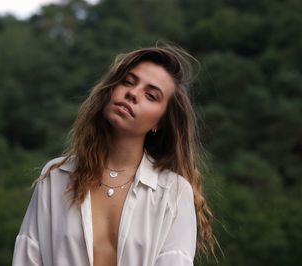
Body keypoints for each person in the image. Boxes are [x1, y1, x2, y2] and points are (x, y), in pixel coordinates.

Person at [12, 44, 216, 266]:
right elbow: (28, 258)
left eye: (151, 95)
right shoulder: (56, 177)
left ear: (160, 122)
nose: (132, 93)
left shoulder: (173, 193)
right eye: (128, 82)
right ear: (111, 89)